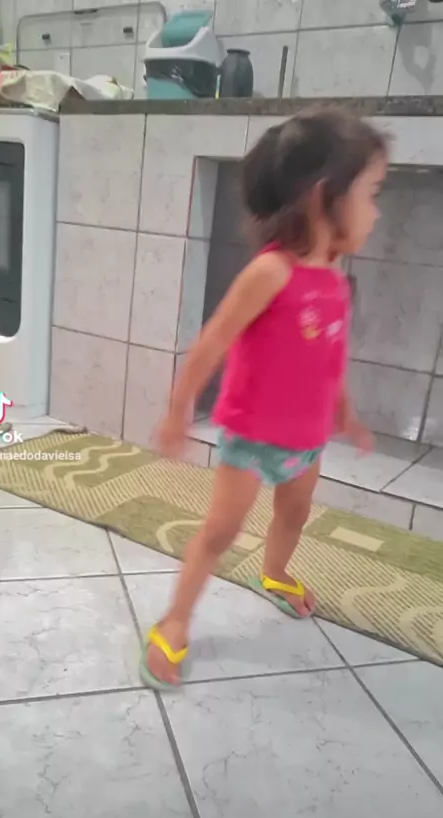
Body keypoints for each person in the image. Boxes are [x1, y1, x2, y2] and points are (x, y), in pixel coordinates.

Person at [140, 107, 388, 690]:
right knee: (220, 531)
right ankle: (174, 622)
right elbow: (211, 343)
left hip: (307, 438)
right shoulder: (271, 272)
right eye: (371, 193)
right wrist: (178, 410)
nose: (376, 211)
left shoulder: (334, 277)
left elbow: (330, 354)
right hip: (252, 437)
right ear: (324, 195)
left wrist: (345, 411)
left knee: (294, 514)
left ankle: (273, 573)